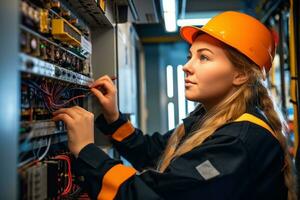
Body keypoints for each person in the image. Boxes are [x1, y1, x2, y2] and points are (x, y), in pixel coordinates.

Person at [52, 11, 297, 200]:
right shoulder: (210, 120)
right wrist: (114, 117)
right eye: (190, 55)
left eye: (204, 57)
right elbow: (155, 152)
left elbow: (154, 195)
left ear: (241, 75)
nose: (187, 66)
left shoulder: (238, 142)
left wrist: (86, 150)